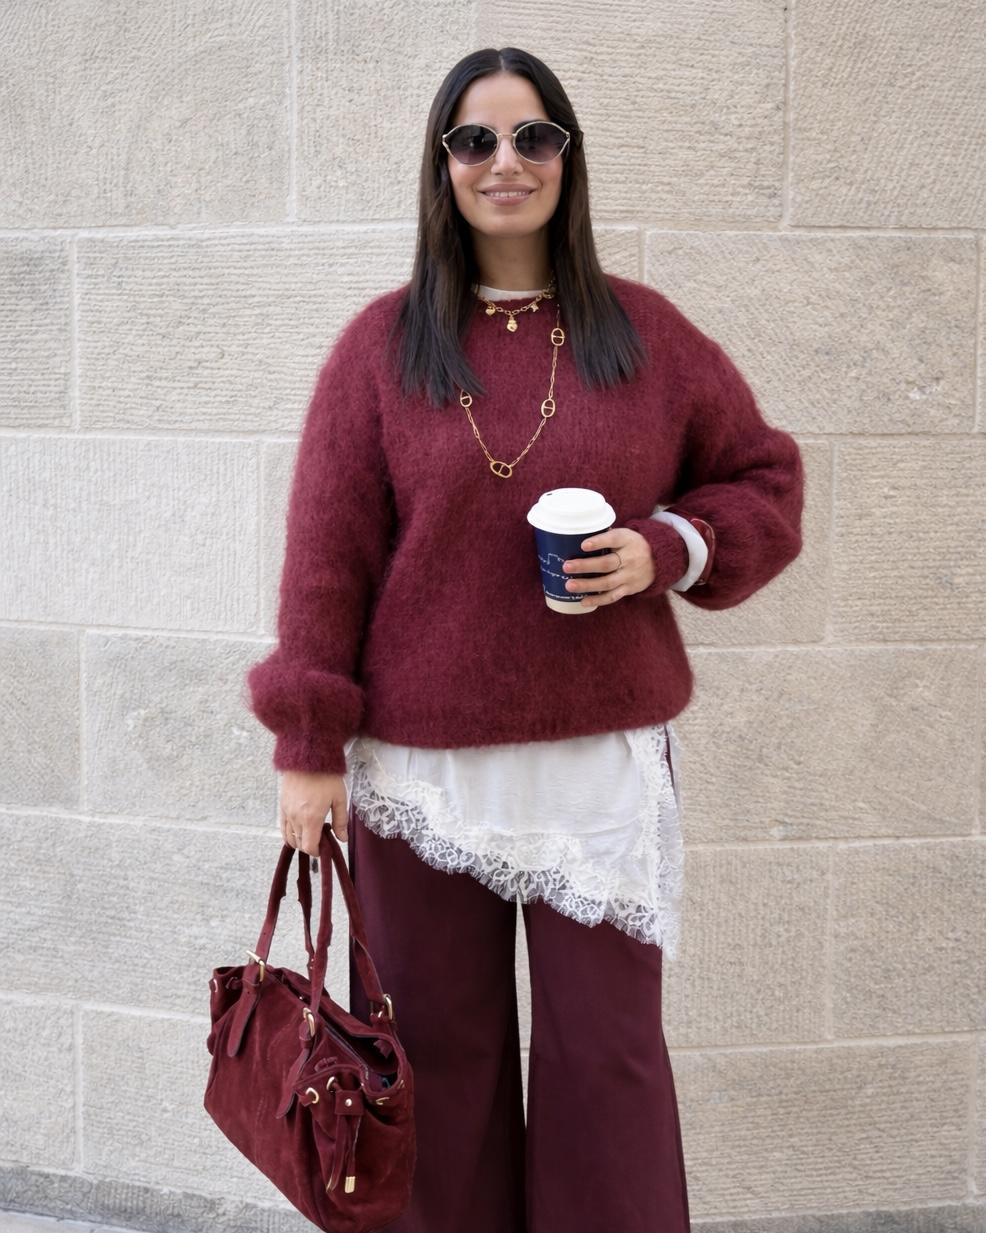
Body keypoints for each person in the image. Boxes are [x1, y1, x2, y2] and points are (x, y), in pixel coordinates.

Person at [244, 46, 804, 1233]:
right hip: (420, 774)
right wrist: (307, 749)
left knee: (606, 1063)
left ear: (567, 159)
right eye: (475, 140)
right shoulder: (383, 349)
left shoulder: (644, 338)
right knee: (434, 1063)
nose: (506, 163)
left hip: (596, 768)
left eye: (533, 137)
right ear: (442, 167)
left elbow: (762, 479)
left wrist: (671, 548)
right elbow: (325, 560)